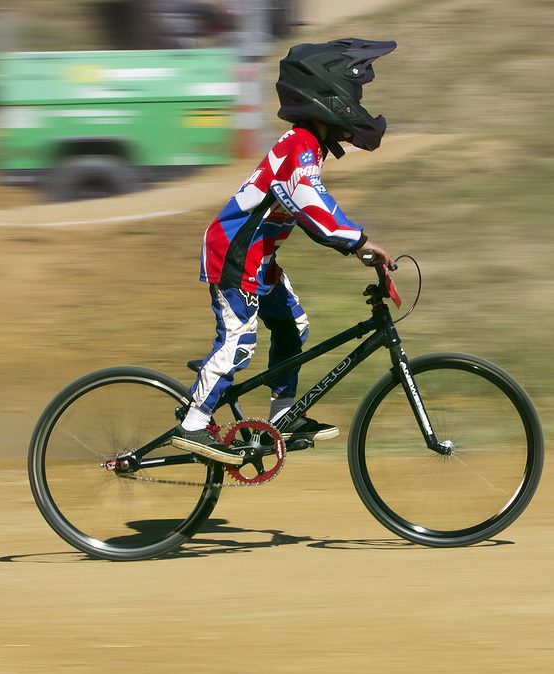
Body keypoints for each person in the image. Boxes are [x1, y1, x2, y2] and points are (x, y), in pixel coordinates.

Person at [170, 38, 398, 463]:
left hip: (259, 260)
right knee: (240, 341)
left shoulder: (306, 145)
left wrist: (355, 246)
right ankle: (194, 423)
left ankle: (283, 415)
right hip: (234, 257)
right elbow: (311, 203)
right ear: (330, 94)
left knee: (294, 326)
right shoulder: (298, 146)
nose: (359, 102)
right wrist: (360, 242)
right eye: (355, 92)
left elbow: (309, 210)